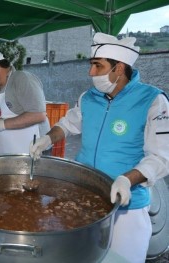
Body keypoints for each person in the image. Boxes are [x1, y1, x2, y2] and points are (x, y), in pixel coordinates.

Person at [30, 32, 169, 263]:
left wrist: (126, 179)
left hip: (127, 207)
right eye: (91, 65)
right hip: (85, 198)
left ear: (119, 68)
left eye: (98, 66)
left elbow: (162, 156)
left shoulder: (153, 101)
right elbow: (67, 125)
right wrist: (46, 139)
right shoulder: (89, 98)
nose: (90, 73)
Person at [0, 50, 50, 154]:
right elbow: (4, 116)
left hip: (33, 151)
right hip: (9, 152)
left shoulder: (21, 79)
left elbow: (39, 115)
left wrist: (1, 124)